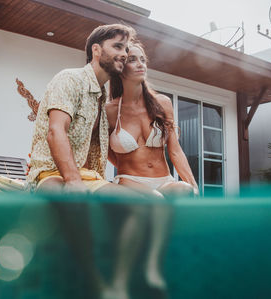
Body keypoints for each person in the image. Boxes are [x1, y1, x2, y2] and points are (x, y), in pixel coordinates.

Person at [27, 24, 147, 298]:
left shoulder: (102, 95)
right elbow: (56, 131)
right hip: (50, 173)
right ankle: (93, 284)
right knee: (72, 201)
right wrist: (72, 180)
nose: (125, 54)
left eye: (126, 48)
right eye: (118, 46)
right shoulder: (69, 79)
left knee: (142, 205)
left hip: (87, 176)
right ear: (96, 50)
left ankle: (118, 283)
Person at [104, 41, 199, 298]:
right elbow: (108, 152)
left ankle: (152, 265)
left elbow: (175, 150)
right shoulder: (111, 110)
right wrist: (124, 173)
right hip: (130, 181)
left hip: (163, 179)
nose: (140, 64)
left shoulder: (162, 103)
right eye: (133, 59)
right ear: (120, 68)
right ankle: (131, 277)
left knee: (182, 192)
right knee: (155, 201)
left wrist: (192, 183)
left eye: (143, 59)